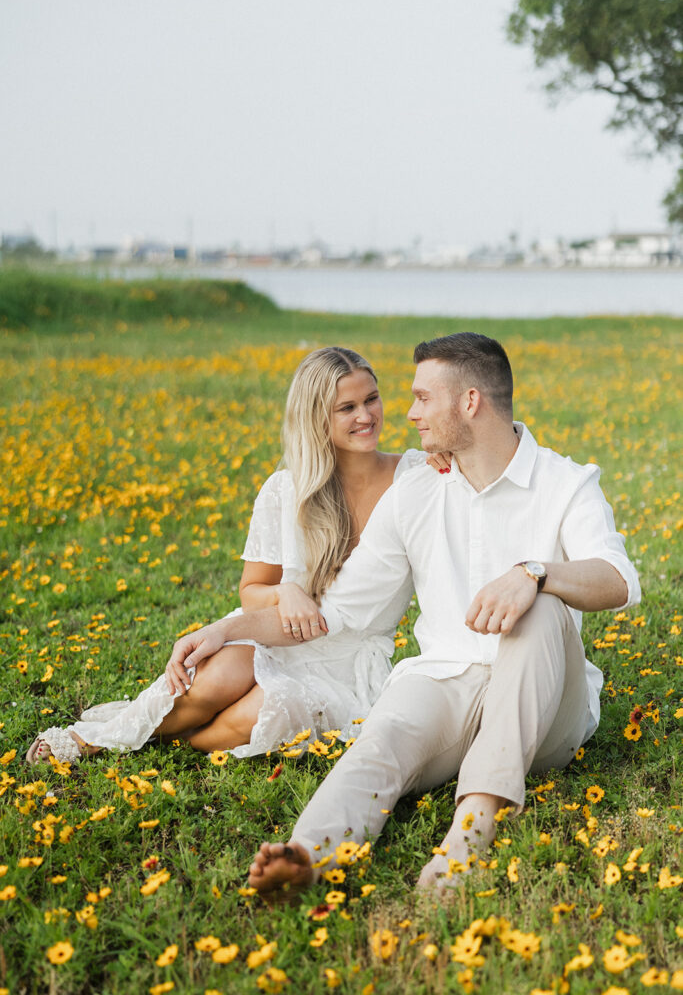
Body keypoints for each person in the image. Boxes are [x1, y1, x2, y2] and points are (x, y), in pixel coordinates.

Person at [162, 331, 640, 895]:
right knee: (383, 738)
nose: (408, 414)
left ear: (469, 403)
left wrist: (535, 573)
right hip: (446, 683)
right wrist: (223, 629)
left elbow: (618, 580)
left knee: (538, 611)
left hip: (548, 710)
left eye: (421, 398)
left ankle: (467, 840)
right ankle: (308, 855)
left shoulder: (566, 482)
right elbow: (337, 615)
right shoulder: (416, 493)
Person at [26, 347, 430, 765]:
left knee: (261, 713)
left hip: (348, 661)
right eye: (346, 407)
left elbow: (485, 447)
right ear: (315, 417)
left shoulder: (418, 477)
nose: (366, 416)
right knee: (211, 683)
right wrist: (286, 591)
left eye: (371, 399)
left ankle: (159, 739)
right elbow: (253, 588)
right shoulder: (285, 489)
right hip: (271, 630)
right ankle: (96, 736)